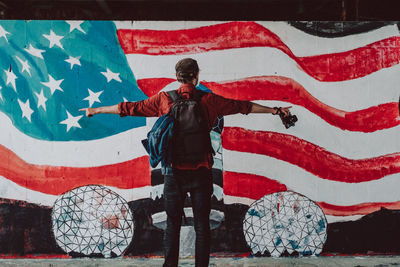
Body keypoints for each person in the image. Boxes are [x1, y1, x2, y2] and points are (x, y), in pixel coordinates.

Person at [80, 58, 291, 267]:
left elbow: (130, 108)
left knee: (172, 225)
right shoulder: (209, 100)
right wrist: (275, 110)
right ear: (196, 75)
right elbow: (243, 107)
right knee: (202, 226)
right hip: (202, 172)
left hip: (173, 173)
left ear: (177, 77)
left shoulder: (164, 99)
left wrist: (96, 110)